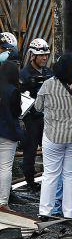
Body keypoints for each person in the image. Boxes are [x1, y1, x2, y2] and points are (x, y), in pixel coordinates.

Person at [35, 53, 72, 220]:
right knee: (71, 174)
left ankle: (44, 212)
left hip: (52, 135)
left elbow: (38, 107)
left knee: (50, 174)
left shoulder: (47, 85)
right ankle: (69, 213)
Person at [19, 38, 53, 193]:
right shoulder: (24, 75)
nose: (45, 58)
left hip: (47, 118)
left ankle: (49, 181)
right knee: (30, 151)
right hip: (31, 119)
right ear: (33, 56)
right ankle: (30, 182)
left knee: (49, 150)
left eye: (46, 55)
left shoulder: (48, 73)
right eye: (41, 55)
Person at [0, 62, 23, 211]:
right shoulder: (13, 91)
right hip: (7, 132)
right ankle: (2, 202)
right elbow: (17, 112)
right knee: (5, 168)